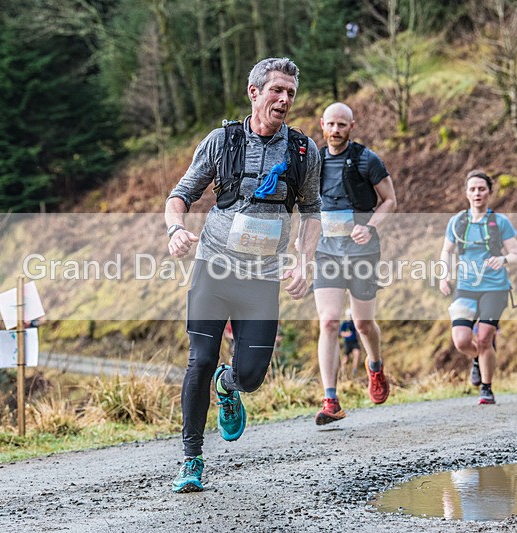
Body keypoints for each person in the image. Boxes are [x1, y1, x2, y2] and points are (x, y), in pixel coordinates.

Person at [165, 57, 322, 492]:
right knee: (199, 360)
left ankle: (229, 384)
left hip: (262, 277)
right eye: (276, 90)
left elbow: (312, 213)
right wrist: (176, 229)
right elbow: (180, 195)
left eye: (290, 92)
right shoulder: (222, 141)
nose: (284, 99)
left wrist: (304, 259)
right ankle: (191, 459)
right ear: (254, 92)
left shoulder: (303, 151)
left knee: (251, 375)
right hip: (214, 267)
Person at [312, 102, 397, 425]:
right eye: (330, 124)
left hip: (362, 252)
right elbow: (306, 206)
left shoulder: (366, 159)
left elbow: (390, 200)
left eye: (342, 125)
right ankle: (330, 400)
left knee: (362, 324)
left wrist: (370, 226)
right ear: (322, 125)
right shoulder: (314, 162)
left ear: (352, 126)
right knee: (330, 321)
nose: (335, 130)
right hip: (327, 252)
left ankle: (375, 366)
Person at [439, 170, 517, 405]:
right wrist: (444, 276)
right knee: (462, 341)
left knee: (485, 338)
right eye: (473, 189)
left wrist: (503, 259)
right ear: (466, 193)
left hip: (495, 288)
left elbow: (515, 254)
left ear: (489, 193)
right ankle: (478, 359)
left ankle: (486, 387)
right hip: (466, 287)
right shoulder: (457, 222)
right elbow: (446, 251)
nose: (477, 193)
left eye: (482, 189)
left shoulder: (499, 222)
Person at [338, 309, 361, 380]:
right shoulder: (344, 324)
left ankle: (354, 370)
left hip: (354, 342)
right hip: (347, 343)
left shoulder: (354, 323)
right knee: (346, 358)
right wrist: (346, 334)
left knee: (357, 354)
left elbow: (358, 331)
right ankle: (342, 372)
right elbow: (341, 332)